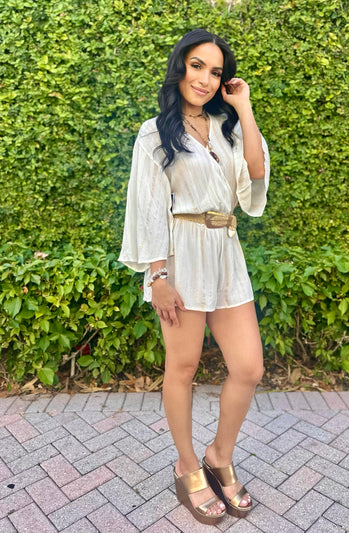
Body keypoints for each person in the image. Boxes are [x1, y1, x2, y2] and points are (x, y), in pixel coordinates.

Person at [119, 28, 270, 525]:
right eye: (197, 66)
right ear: (180, 66)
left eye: (216, 71)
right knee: (181, 368)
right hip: (180, 255)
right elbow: (146, 205)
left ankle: (218, 454)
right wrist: (157, 275)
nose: (205, 79)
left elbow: (255, 176)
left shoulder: (228, 128)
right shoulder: (155, 132)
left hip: (226, 252)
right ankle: (187, 466)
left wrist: (244, 107)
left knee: (248, 367)